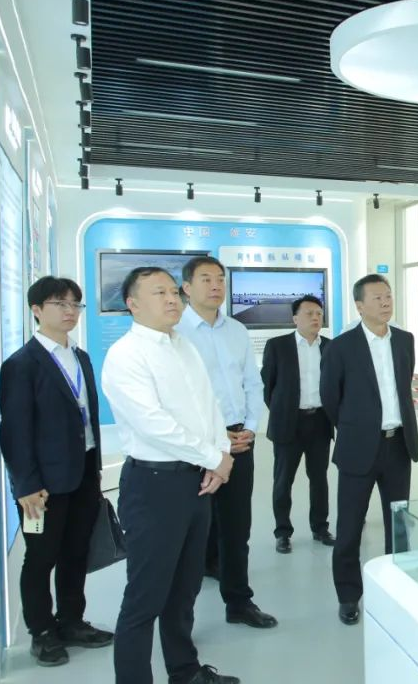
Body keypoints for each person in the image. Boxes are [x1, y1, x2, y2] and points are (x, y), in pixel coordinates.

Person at [102, 267, 238, 684]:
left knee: (185, 589)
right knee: (145, 597)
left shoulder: (184, 346)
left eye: (173, 292)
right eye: (158, 292)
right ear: (133, 304)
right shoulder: (126, 355)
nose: (171, 299)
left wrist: (221, 454)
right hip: (154, 486)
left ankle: (185, 671)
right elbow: (153, 425)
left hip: (197, 482)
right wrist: (212, 457)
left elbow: (209, 406)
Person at [0, 276, 112, 667]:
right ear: (36, 310)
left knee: (76, 552)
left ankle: (72, 621)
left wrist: (95, 469)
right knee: (41, 557)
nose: (69, 311)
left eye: (75, 304)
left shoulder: (80, 357)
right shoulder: (21, 365)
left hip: (83, 472)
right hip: (44, 484)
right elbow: (14, 432)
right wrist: (26, 485)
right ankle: (42, 631)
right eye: (59, 304)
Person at [176, 256, 276, 629]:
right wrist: (216, 439)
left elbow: (252, 382)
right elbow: (179, 398)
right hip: (196, 445)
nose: (216, 285)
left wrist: (250, 427)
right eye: (206, 279)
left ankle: (239, 602)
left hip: (240, 440)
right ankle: (180, 619)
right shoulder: (175, 332)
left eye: (220, 278)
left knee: (236, 527)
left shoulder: (236, 330)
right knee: (190, 532)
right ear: (187, 288)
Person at [321, 274, 418, 626]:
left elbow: (403, 389)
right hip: (358, 448)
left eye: (388, 295)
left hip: (399, 446)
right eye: (377, 297)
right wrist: (356, 428)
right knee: (349, 528)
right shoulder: (341, 347)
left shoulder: (405, 340)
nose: (385, 301)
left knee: (399, 525)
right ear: (359, 305)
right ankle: (349, 596)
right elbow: (330, 399)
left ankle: (398, 586)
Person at [261, 295, 335, 554]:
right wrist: (282, 411)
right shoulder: (278, 346)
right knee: (283, 481)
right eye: (309, 313)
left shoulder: (330, 347)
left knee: (319, 479)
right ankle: (283, 532)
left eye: (319, 313)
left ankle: (320, 527)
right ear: (295, 318)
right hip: (288, 424)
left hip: (320, 422)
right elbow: (268, 387)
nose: (315, 318)